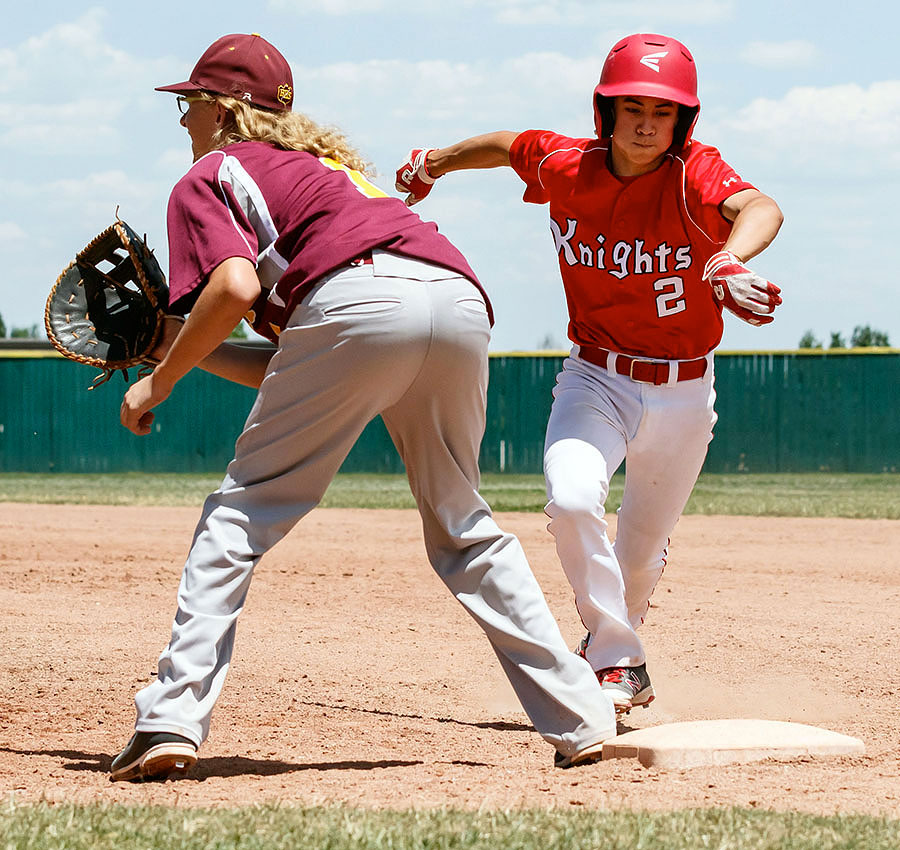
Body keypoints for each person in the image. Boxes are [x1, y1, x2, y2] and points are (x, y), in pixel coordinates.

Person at [109, 33, 619, 781]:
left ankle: (170, 719)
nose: (184, 119)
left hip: (351, 302)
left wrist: (161, 381)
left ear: (222, 110)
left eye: (189, 103)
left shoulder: (212, 173)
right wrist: (176, 348)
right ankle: (581, 715)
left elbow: (240, 291)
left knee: (241, 512)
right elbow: (314, 358)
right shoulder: (333, 175)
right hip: (456, 298)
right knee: (462, 523)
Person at [395, 33, 783, 716]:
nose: (645, 123)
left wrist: (727, 262)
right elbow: (506, 144)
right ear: (606, 109)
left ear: (682, 122)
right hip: (594, 377)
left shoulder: (694, 174)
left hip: (684, 392)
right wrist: (434, 163)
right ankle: (619, 660)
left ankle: (603, 653)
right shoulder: (571, 164)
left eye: (662, 112)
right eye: (631, 106)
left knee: (638, 559)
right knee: (573, 500)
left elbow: (760, 209)